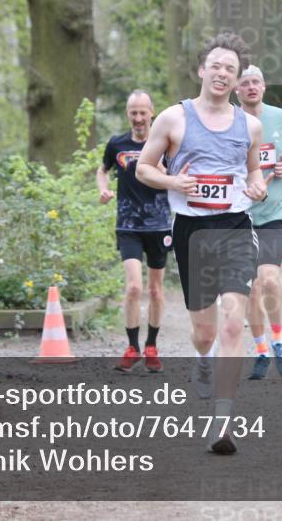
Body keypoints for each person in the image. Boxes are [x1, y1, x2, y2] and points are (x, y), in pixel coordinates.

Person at [136, 33, 268, 455]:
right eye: (216, 65)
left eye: (231, 68)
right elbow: (143, 168)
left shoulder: (250, 125)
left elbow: (254, 172)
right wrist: (173, 181)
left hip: (235, 227)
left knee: (232, 322)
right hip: (191, 231)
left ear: (237, 79)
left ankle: (222, 421)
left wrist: (258, 186)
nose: (222, 73)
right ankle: (203, 357)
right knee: (204, 331)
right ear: (201, 70)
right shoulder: (173, 118)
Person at [235, 65, 282, 381]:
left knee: (269, 281)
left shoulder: (281, 117)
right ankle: (262, 350)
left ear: (263, 86)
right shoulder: (228, 121)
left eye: (256, 82)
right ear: (236, 90)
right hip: (239, 213)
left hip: (275, 211)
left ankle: (279, 340)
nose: (251, 87)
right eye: (245, 83)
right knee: (250, 289)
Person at [97, 91, 171, 373]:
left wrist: (164, 170)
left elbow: (178, 177)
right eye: (133, 113)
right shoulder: (117, 143)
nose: (138, 118)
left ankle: (151, 346)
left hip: (159, 225)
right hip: (128, 225)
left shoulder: (165, 144)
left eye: (142, 112)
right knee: (133, 287)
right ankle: (131, 347)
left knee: (155, 289)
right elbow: (103, 170)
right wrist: (103, 189)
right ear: (128, 113)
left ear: (152, 112)